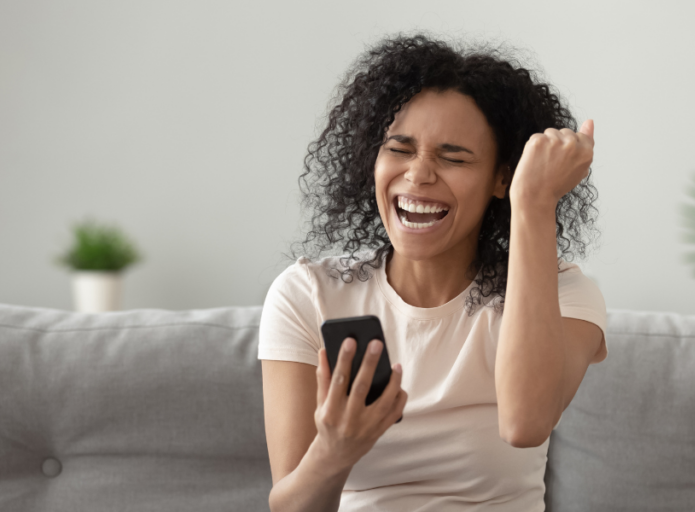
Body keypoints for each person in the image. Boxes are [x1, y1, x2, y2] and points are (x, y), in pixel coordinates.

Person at [259, 34, 607, 511]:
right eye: (399, 149)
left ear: (501, 178)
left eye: (454, 157)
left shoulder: (565, 294)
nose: (419, 174)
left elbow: (525, 425)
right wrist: (334, 452)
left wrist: (534, 199)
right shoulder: (309, 295)